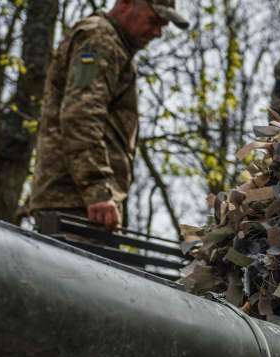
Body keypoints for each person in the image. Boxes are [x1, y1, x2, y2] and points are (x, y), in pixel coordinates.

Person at [26, 0, 189, 231]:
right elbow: (81, 115)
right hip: (76, 202)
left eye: (163, 26)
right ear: (125, 4)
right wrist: (97, 189)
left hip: (84, 203)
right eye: (153, 21)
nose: (157, 33)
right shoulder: (100, 38)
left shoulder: (114, 45)